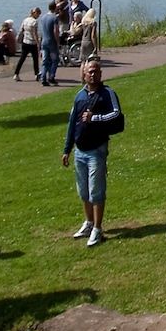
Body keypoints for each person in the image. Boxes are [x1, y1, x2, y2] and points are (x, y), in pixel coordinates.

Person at [62, 58, 123, 246]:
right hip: (80, 151)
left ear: (101, 74)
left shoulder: (107, 94)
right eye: (90, 71)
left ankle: (97, 228)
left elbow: (116, 114)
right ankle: (88, 223)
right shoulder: (80, 96)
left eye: (96, 71)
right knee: (83, 190)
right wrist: (67, 149)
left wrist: (95, 118)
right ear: (84, 74)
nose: (93, 74)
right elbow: (73, 123)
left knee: (96, 190)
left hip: (97, 150)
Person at [37, 0, 62, 86]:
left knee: (45, 60)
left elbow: (41, 31)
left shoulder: (43, 18)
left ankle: (43, 77)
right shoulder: (55, 18)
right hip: (52, 42)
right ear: (55, 8)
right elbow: (56, 31)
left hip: (44, 42)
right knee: (55, 60)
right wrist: (58, 42)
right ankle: (51, 76)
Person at [14, 7, 41, 82]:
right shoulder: (34, 22)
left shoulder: (25, 20)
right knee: (35, 59)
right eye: (38, 14)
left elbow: (21, 30)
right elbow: (35, 34)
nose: (38, 16)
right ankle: (36, 74)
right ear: (35, 13)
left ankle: (16, 73)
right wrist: (38, 43)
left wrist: (18, 39)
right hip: (32, 43)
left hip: (25, 42)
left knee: (22, 59)